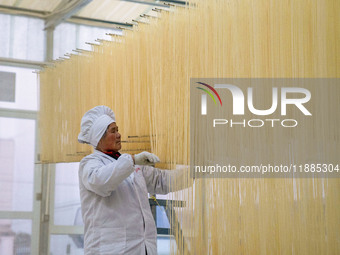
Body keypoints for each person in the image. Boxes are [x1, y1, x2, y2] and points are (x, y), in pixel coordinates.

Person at [77, 105, 187, 255]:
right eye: (113, 131)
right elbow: (101, 182)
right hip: (110, 250)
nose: (119, 135)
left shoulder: (129, 164)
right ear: (99, 137)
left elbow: (161, 180)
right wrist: (133, 160)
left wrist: (193, 172)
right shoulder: (90, 163)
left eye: (118, 130)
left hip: (142, 248)